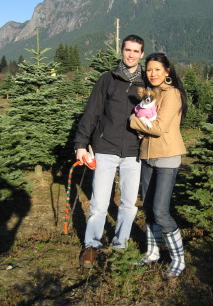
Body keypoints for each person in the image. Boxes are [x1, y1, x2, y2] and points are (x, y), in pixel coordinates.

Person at [75, 34, 145, 268]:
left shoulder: (147, 82)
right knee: (99, 201)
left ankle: (120, 244)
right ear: (122, 51)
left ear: (141, 54)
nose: (131, 54)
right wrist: (81, 144)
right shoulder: (107, 79)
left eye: (136, 51)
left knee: (128, 202)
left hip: (134, 151)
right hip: (105, 148)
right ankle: (91, 244)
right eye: (128, 50)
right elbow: (92, 112)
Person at [130, 52, 187, 278]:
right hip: (147, 155)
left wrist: (133, 121)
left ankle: (178, 258)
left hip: (167, 157)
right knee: (149, 207)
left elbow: (159, 128)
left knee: (161, 211)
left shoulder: (172, 94)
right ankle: (152, 252)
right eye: (149, 69)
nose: (152, 73)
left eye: (157, 69)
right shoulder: (150, 93)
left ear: (167, 71)